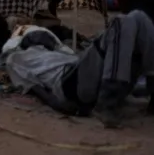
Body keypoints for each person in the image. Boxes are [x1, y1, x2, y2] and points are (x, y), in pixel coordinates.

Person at [8, 9, 154, 128]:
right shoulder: (17, 57)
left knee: (139, 16)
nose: (42, 33)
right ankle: (107, 102)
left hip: (92, 76)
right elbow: (33, 86)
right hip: (72, 86)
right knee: (120, 22)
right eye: (34, 33)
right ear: (23, 40)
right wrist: (56, 104)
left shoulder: (60, 49)